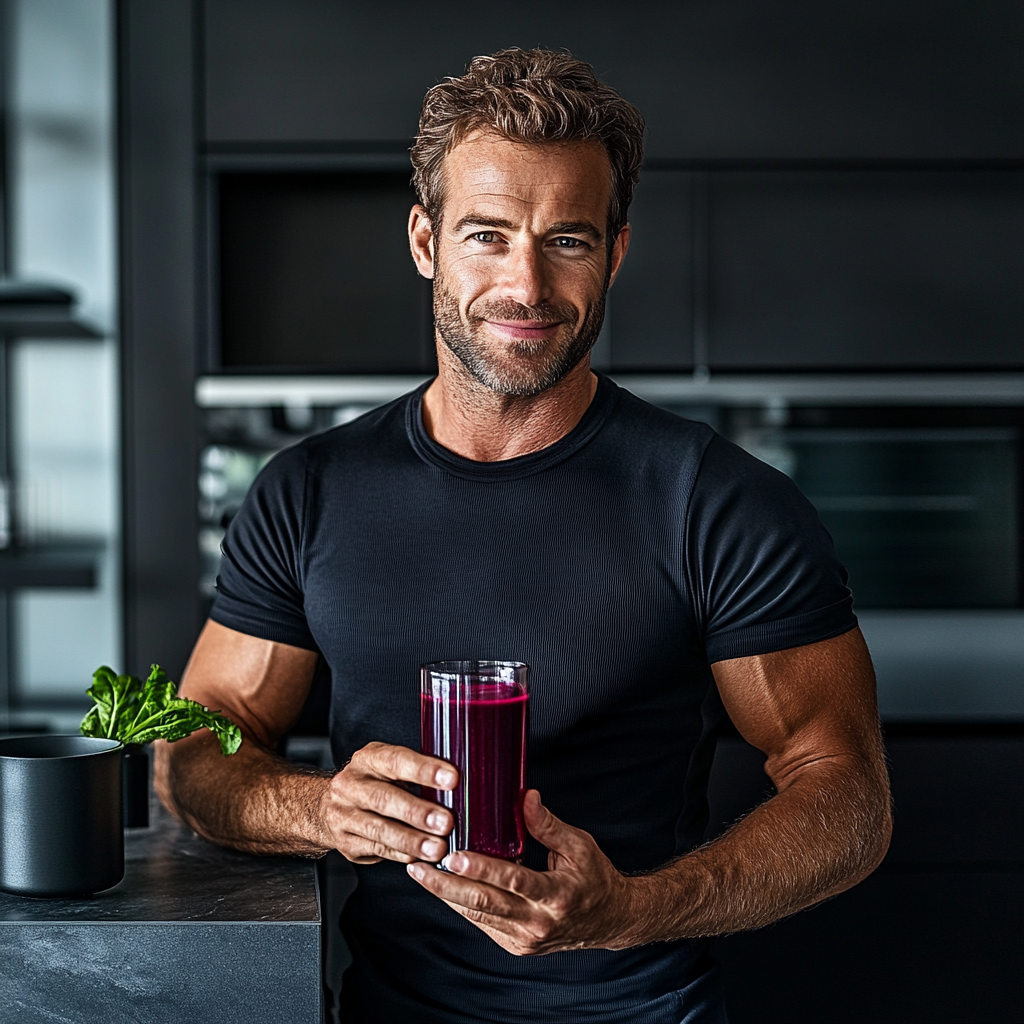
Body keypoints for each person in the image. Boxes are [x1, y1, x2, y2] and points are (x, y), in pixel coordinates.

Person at [155, 48, 892, 1023]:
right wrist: (318, 809)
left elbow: (846, 793)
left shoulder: (716, 502)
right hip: (384, 1009)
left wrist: (635, 909)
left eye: (569, 241)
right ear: (425, 240)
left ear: (616, 251)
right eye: (488, 236)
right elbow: (197, 744)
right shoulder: (308, 491)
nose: (526, 284)